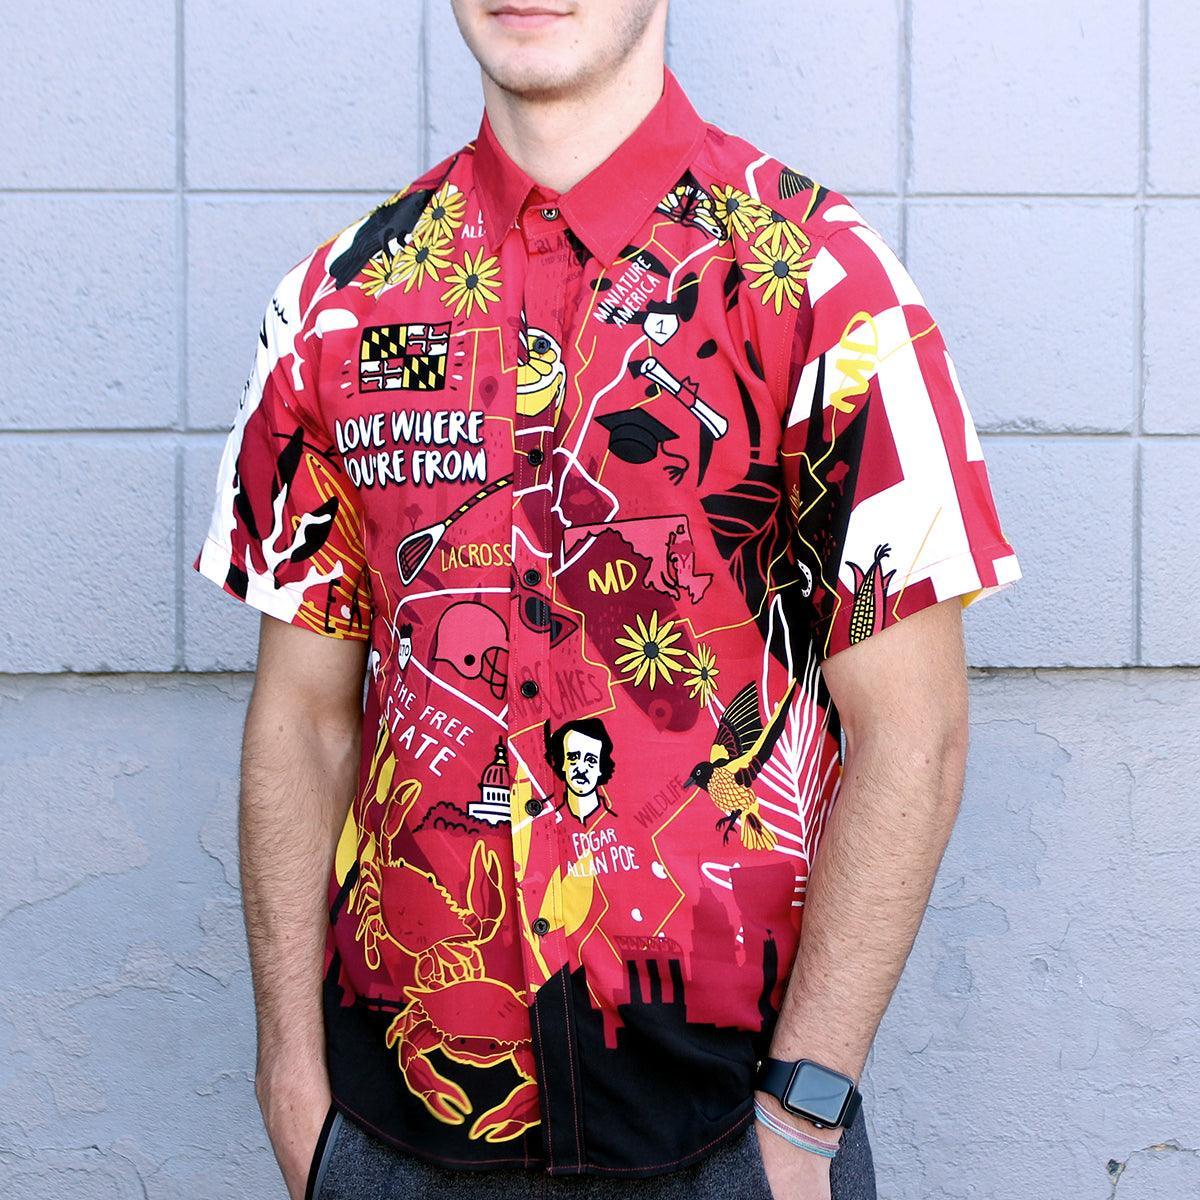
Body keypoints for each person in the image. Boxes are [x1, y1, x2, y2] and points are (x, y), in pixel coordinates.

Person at [191, 2, 1022, 1198]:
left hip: (734, 1138)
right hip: (390, 1131)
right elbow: (302, 718)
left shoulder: (821, 285)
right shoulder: (337, 301)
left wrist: (804, 1113)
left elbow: (916, 733)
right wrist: (289, 1078)